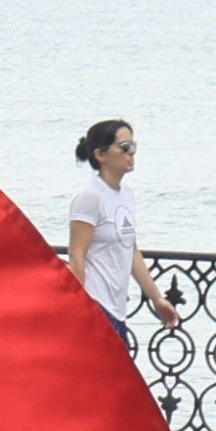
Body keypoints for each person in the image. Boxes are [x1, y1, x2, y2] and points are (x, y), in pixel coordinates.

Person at [63, 119, 186, 341]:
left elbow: (130, 250)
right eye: (125, 147)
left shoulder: (126, 194)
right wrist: (79, 307)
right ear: (101, 155)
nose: (132, 153)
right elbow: (76, 256)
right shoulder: (90, 196)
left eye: (133, 146)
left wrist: (157, 298)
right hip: (96, 305)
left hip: (117, 309)